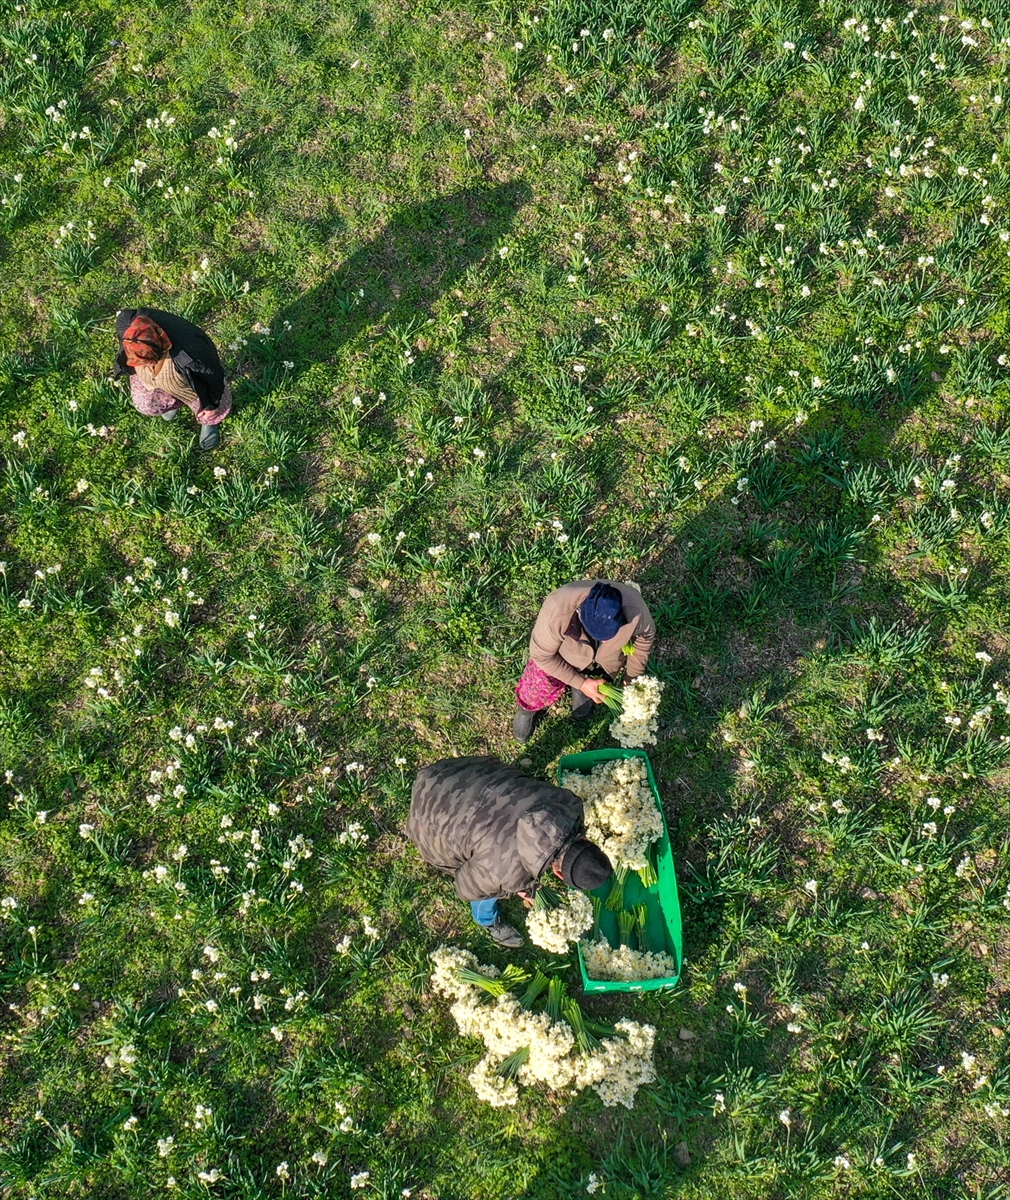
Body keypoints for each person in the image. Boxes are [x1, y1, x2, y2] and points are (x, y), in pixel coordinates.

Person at [406, 756, 612, 948]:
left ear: (587, 840)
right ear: (558, 874)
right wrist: (515, 889)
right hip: (426, 813)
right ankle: (487, 921)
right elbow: (464, 888)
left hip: (452, 772)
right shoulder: (507, 873)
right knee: (484, 894)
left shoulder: (569, 804)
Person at [512, 579, 656, 743]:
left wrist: (631, 679)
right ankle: (527, 708)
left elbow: (644, 642)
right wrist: (580, 682)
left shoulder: (636, 611)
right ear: (581, 613)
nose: (606, 641)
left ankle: (583, 689)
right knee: (538, 684)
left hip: (602, 659)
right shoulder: (557, 608)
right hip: (563, 653)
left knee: (598, 672)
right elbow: (541, 656)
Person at [113, 307, 231, 450]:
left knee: (208, 408)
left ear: (161, 349)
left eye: (147, 362)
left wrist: (211, 405)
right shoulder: (128, 324)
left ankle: (209, 422)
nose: (142, 366)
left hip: (190, 386)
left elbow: (214, 378)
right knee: (144, 403)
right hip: (156, 381)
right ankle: (173, 403)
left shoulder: (193, 354)